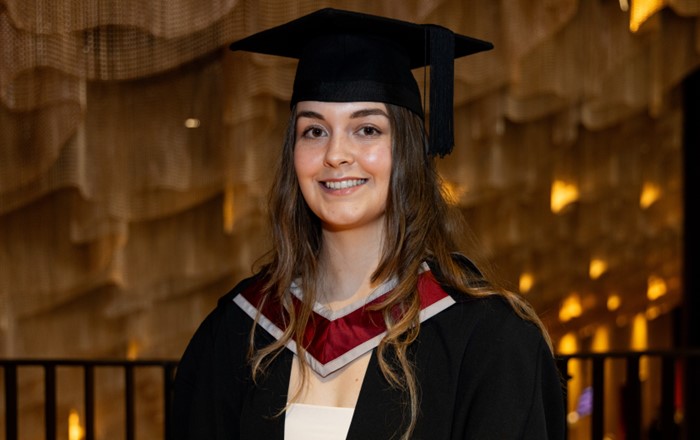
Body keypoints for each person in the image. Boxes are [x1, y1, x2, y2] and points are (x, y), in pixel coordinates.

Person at [172, 8, 566, 440]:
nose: (336, 154)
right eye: (314, 131)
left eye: (367, 129)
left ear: (409, 149)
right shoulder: (237, 334)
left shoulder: (489, 341)